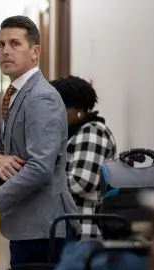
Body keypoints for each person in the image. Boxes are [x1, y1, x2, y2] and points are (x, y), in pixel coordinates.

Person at [0, 15, 78, 266]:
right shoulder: (16, 93)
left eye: (15, 44)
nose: (5, 51)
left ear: (35, 52)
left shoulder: (40, 98)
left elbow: (40, 168)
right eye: (1, 45)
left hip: (44, 228)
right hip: (28, 225)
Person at [50, 76, 118, 239]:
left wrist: (39, 179)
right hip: (69, 229)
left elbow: (82, 182)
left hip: (84, 232)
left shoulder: (92, 132)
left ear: (78, 109)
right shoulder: (71, 133)